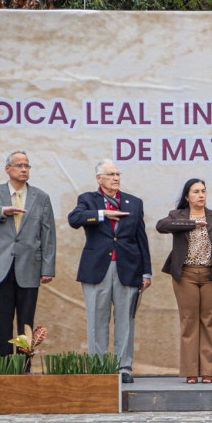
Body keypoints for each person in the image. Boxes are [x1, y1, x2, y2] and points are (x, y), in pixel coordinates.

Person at [67, 160, 152, 384]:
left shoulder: (134, 202)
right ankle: (100, 367)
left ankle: (124, 368)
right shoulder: (87, 200)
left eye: (117, 174)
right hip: (97, 269)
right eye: (110, 174)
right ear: (99, 179)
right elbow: (74, 219)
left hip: (128, 268)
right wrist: (102, 213)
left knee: (125, 320)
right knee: (97, 320)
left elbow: (141, 238)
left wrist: (146, 272)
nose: (116, 178)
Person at [0, 150, 56, 357]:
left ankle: (24, 366)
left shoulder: (41, 197)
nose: (24, 169)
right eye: (19, 165)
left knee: (26, 323)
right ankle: (5, 366)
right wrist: (0, 211)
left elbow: (48, 235)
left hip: (30, 267)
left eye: (27, 166)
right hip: (1, 266)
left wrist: (48, 268)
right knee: (3, 320)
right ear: (8, 169)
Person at [156, 179, 212, 384]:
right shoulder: (177, 216)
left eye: (203, 191)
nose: (201, 195)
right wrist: (191, 223)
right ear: (187, 196)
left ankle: (207, 371)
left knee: (209, 321)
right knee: (189, 321)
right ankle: (190, 371)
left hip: (210, 276)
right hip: (185, 275)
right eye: (196, 191)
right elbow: (161, 226)